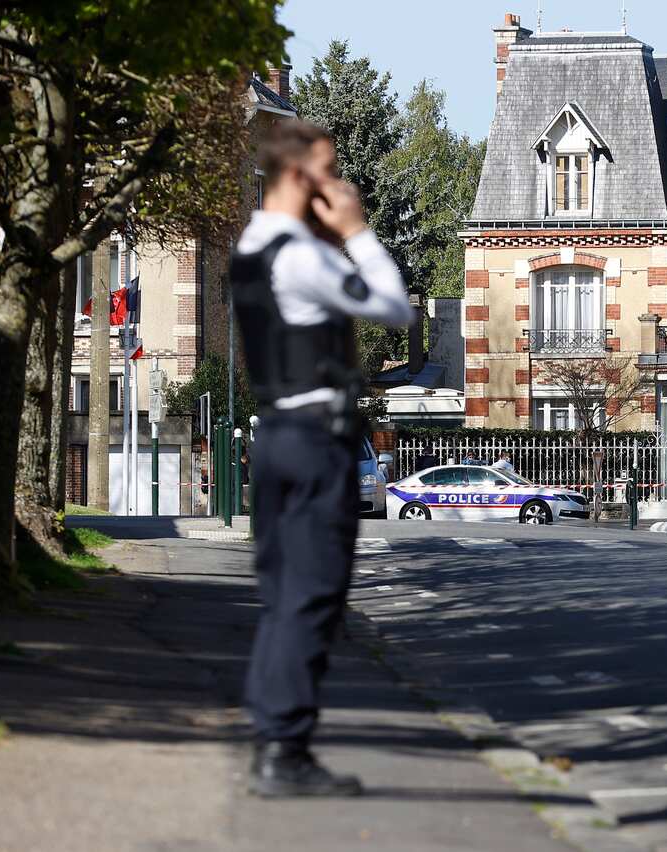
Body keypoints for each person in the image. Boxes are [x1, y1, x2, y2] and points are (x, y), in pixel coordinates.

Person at [230, 120, 413, 798]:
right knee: (313, 596)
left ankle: (273, 738)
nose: (341, 185)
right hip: (315, 442)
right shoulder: (305, 257)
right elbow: (394, 308)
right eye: (331, 171)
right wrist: (358, 231)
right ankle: (285, 750)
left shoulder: (248, 246)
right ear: (302, 176)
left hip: (274, 437)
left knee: (282, 594)